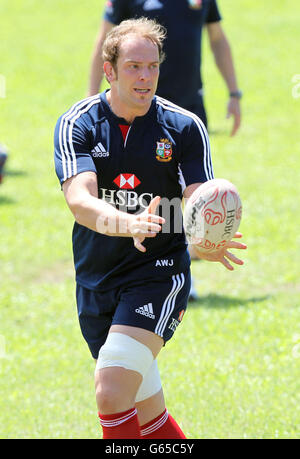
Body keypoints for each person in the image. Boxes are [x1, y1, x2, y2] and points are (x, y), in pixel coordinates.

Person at [54, 18, 246, 439]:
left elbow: (198, 197)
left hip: (158, 274)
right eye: (134, 67)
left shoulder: (183, 128)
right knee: (145, 416)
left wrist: (205, 235)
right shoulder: (78, 124)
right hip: (96, 277)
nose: (145, 77)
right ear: (110, 70)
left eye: (152, 67)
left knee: (110, 390)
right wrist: (129, 223)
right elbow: (80, 201)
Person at [88, 0, 242, 301]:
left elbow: (217, 38)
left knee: (188, 193)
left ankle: (181, 269)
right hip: (134, 110)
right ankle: (130, 269)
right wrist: (91, 97)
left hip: (185, 110)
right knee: (146, 192)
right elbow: (104, 38)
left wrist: (234, 92)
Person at [88, 0, 242, 135]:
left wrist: (234, 94)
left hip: (190, 106)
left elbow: (217, 39)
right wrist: (92, 100)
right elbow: (104, 42)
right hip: (140, 108)